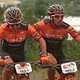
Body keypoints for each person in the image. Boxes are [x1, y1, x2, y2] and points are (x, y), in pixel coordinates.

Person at [33, 4, 80, 80]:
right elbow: (28, 31)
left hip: (59, 54)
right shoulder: (42, 24)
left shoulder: (66, 27)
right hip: (46, 52)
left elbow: (78, 37)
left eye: (62, 16)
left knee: (70, 75)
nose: (60, 19)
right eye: (57, 17)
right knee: (53, 62)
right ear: (51, 17)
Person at [0, 6, 48, 80]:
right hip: (6, 53)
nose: (15, 27)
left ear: (21, 21)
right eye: (12, 25)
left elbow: (41, 40)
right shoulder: (2, 30)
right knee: (9, 65)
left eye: (17, 24)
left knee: (25, 77)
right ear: (7, 22)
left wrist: (44, 55)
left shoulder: (27, 27)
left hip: (20, 55)